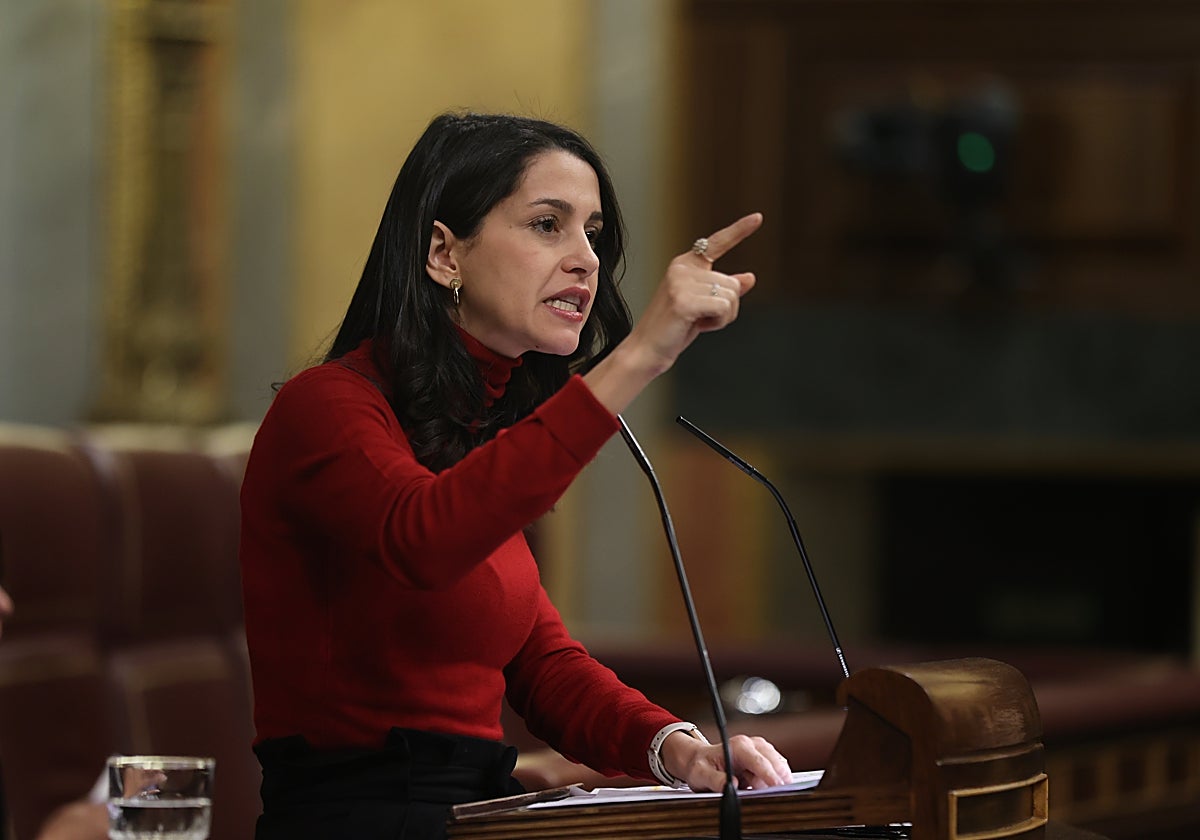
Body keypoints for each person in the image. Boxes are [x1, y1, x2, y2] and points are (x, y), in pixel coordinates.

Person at [238, 111, 792, 840]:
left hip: (477, 814)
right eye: (546, 225)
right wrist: (641, 356)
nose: (586, 260)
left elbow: (541, 662)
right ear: (444, 252)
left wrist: (679, 750)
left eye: (593, 233)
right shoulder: (330, 407)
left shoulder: (477, 437)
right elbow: (423, 541)